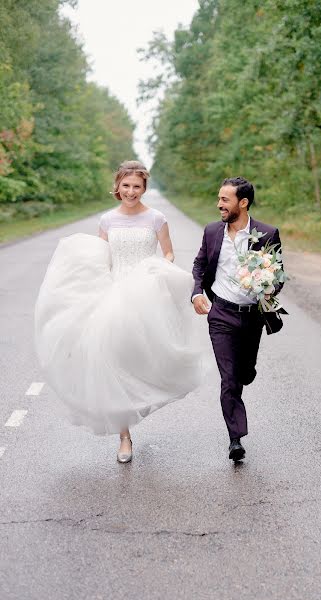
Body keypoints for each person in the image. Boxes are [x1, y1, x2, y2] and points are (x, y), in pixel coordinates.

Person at [35, 160, 203, 463]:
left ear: (144, 188)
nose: (131, 191)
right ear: (118, 186)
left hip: (146, 294)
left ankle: (146, 394)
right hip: (113, 293)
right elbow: (99, 259)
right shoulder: (107, 220)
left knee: (145, 358)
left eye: (137, 186)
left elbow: (167, 251)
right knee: (112, 362)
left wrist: (160, 268)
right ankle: (124, 437)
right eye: (126, 185)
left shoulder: (156, 218)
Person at [192, 177, 285, 462]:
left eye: (225, 200)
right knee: (230, 379)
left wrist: (268, 285)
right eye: (219, 199)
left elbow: (278, 273)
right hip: (220, 313)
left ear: (242, 203)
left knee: (244, 372)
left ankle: (247, 369)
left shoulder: (267, 233)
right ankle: (235, 439)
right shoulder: (211, 232)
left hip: (252, 317)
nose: (219, 204)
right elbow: (199, 264)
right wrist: (196, 292)